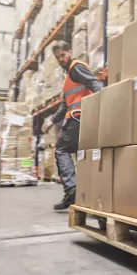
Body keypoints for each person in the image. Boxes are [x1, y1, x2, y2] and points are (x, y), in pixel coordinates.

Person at [42, 41, 103, 210]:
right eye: (57, 57)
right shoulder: (69, 75)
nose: (61, 59)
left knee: (61, 150)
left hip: (78, 117)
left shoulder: (76, 67)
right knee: (81, 155)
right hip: (80, 117)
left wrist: (103, 105)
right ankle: (84, 194)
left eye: (63, 55)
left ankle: (71, 191)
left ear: (70, 52)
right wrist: (52, 121)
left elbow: (95, 84)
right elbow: (64, 104)